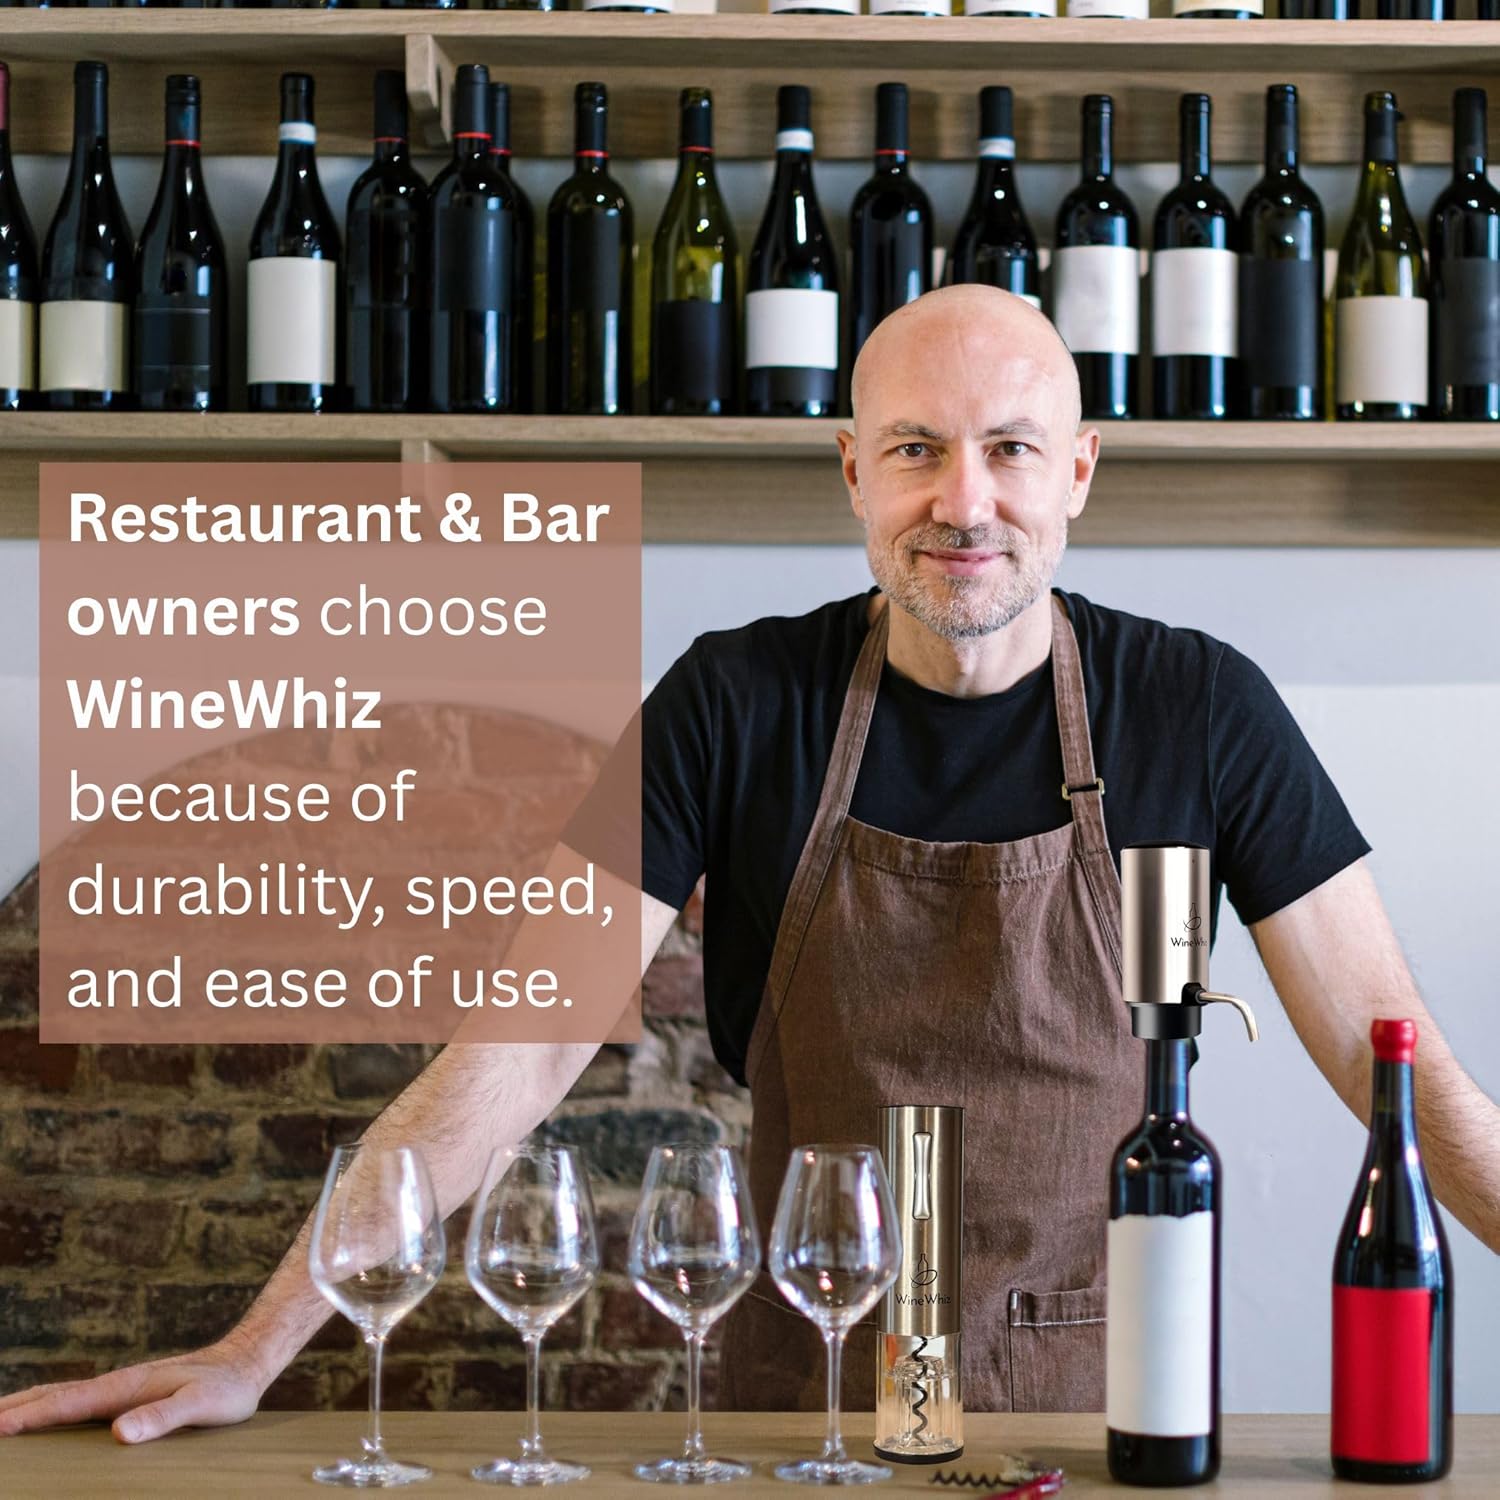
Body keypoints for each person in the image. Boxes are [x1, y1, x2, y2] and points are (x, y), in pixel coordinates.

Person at [3, 285, 1497, 1438]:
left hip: (1108, 1417)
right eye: (914, 450)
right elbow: (514, 1055)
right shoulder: (735, 703)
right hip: (813, 1410)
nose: (963, 501)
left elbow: (1402, 1069)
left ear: (1079, 474)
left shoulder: (1200, 709)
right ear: (851, 471)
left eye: (1010, 450)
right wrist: (255, 1347)